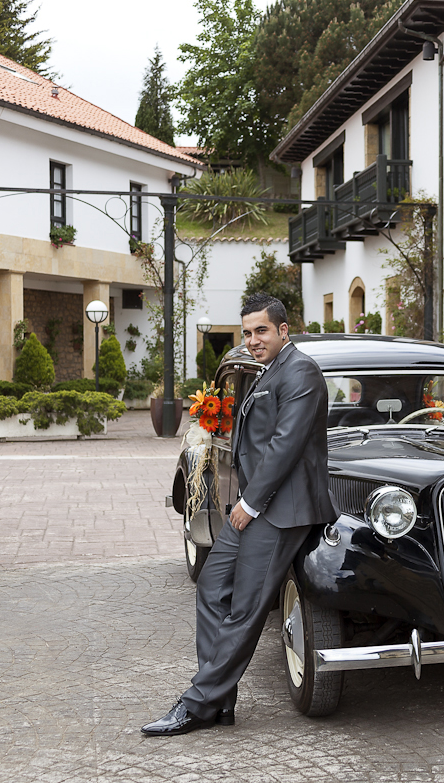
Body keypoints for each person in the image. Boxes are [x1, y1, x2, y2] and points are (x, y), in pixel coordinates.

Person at [142, 293, 337, 736]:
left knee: (245, 609)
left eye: (261, 330)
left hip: (280, 510)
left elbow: (285, 446)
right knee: (210, 586)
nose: (252, 340)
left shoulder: (301, 371)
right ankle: (220, 701)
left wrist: (249, 505)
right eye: (247, 332)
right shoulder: (268, 370)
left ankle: (196, 704)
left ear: (283, 330)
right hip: (253, 507)